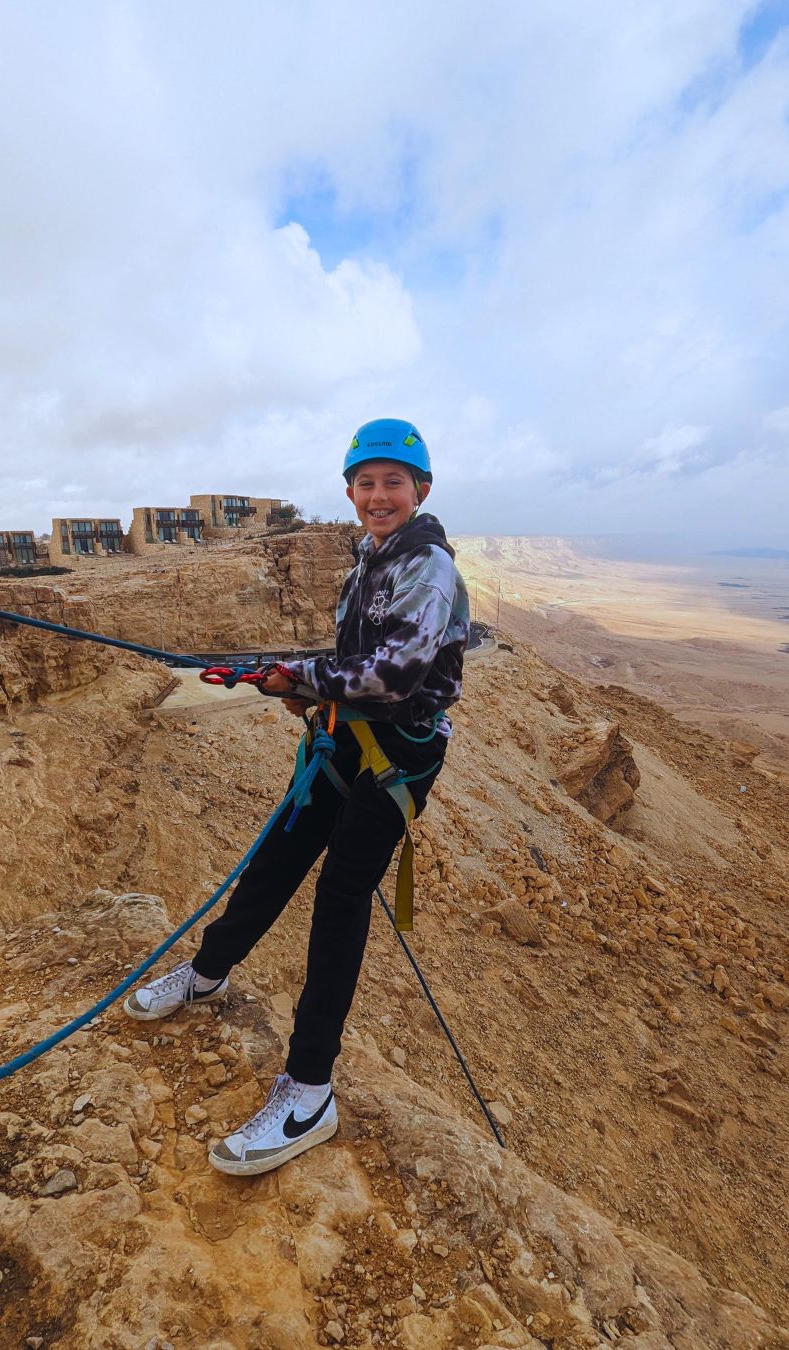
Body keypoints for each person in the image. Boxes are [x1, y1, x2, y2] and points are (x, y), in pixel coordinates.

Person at [125, 418, 470, 1175]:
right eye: (366, 483)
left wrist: (304, 678)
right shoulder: (370, 559)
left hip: (399, 756)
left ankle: (310, 1091)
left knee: (340, 898)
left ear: (421, 490)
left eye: (393, 482)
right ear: (350, 492)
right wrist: (305, 686)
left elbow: (396, 674)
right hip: (348, 735)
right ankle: (208, 972)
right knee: (280, 854)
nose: (378, 495)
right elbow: (356, 659)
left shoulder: (429, 566)